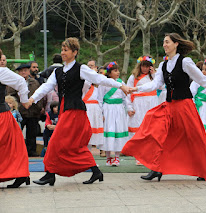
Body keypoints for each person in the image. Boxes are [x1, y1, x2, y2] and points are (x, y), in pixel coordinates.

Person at [29, 37, 130, 186]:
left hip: (76, 112)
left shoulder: (81, 68)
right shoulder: (58, 71)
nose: (63, 52)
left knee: (56, 141)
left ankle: (50, 174)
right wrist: (32, 99)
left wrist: (120, 86)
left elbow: (100, 79)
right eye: (62, 50)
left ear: (75, 52)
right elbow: (46, 87)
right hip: (66, 110)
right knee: (71, 145)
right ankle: (95, 172)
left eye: (66, 50)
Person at [123, 33, 206, 181]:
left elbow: (202, 80)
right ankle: (156, 168)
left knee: (194, 137)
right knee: (157, 133)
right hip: (169, 106)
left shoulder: (185, 62)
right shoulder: (163, 65)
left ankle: (202, 170)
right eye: (163, 42)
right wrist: (136, 88)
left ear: (176, 44)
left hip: (184, 106)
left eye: (167, 42)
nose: (164, 45)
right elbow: (156, 84)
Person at [0, 49, 31, 188]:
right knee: (12, 146)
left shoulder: (1, 71)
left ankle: (21, 174)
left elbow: (21, 82)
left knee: (11, 147)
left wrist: (24, 100)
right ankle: (21, 174)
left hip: (1, 116)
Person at [126, 55, 158, 165]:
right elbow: (128, 92)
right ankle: (138, 156)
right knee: (138, 130)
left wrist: (154, 74)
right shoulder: (133, 77)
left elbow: (161, 86)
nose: (145, 68)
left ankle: (150, 155)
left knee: (151, 130)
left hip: (152, 104)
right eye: (143, 66)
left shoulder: (154, 77)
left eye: (147, 66)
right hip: (138, 104)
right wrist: (129, 107)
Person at [7, 63, 43, 157]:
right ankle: (16, 151)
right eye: (22, 71)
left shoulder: (34, 82)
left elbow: (40, 96)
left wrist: (38, 107)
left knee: (32, 133)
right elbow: (10, 95)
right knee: (17, 133)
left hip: (33, 112)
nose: (24, 72)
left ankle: (31, 151)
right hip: (20, 112)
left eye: (25, 70)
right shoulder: (14, 82)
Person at [98, 62, 128, 166]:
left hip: (119, 110)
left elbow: (125, 98)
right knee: (108, 131)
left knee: (117, 130)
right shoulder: (104, 83)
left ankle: (117, 157)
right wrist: (101, 113)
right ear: (109, 73)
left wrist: (128, 108)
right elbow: (99, 99)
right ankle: (108, 157)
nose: (118, 72)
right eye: (115, 71)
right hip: (108, 110)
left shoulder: (121, 82)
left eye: (118, 70)